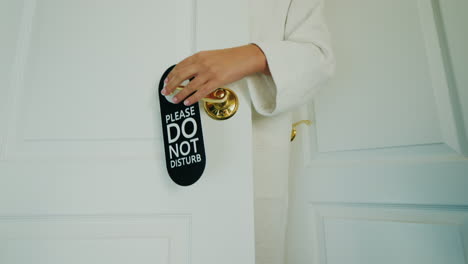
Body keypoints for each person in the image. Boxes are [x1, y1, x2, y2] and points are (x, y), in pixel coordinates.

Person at [162, 0, 334, 263]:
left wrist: (251, 56)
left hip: (256, 141)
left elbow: (319, 58)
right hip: (173, 133)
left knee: (250, 244)